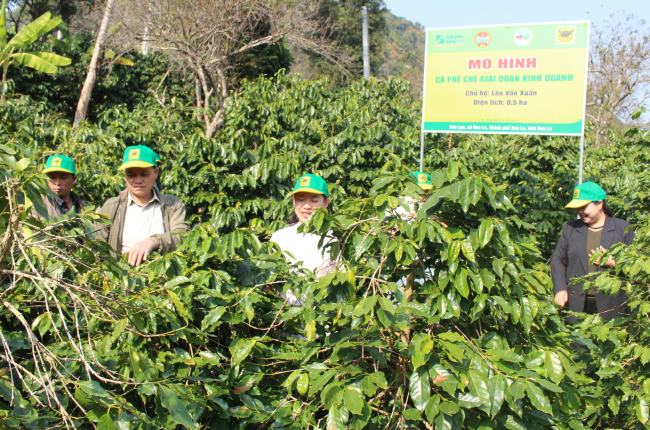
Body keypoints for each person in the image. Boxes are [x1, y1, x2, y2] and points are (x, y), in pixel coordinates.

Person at [550, 181, 634, 322]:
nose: (580, 211)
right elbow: (558, 260)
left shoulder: (623, 229)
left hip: (612, 307)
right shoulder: (570, 228)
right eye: (577, 208)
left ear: (600, 204)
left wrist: (613, 263)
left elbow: (637, 265)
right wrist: (560, 289)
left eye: (584, 206)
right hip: (577, 306)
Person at [96, 145, 188, 266]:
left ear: (155, 172)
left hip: (161, 280)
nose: (138, 180)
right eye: (131, 175)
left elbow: (182, 235)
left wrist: (153, 242)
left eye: (144, 174)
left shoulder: (172, 204)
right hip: (121, 280)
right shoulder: (112, 206)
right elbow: (98, 245)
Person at [271, 174, 338, 304]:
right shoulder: (279, 237)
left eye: (314, 201)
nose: (307, 206)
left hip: (325, 318)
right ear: (294, 202)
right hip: (286, 318)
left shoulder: (336, 238)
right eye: (301, 200)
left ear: (326, 203)